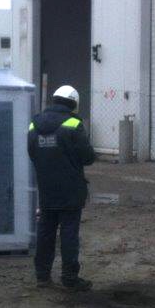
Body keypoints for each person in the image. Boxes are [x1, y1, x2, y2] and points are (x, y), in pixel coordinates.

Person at [27, 84, 96, 291]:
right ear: (74, 103)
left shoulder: (34, 124)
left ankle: (42, 276)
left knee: (45, 232)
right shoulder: (73, 124)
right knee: (69, 234)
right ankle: (69, 278)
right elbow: (88, 157)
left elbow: (32, 153)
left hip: (46, 189)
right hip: (70, 190)